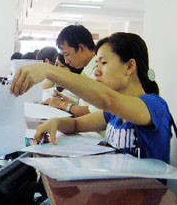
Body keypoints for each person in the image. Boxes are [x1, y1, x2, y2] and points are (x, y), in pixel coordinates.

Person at [10, 32, 173, 164]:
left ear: (130, 66)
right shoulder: (114, 114)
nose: (97, 72)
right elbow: (76, 124)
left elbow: (107, 99)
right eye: (97, 64)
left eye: (103, 63)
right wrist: (56, 122)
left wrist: (49, 71)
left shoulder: (155, 106)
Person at [42, 25, 98, 117]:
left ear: (81, 48)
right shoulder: (87, 70)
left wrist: (65, 105)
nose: (66, 60)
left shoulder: (99, 72)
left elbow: (95, 113)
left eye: (67, 54)